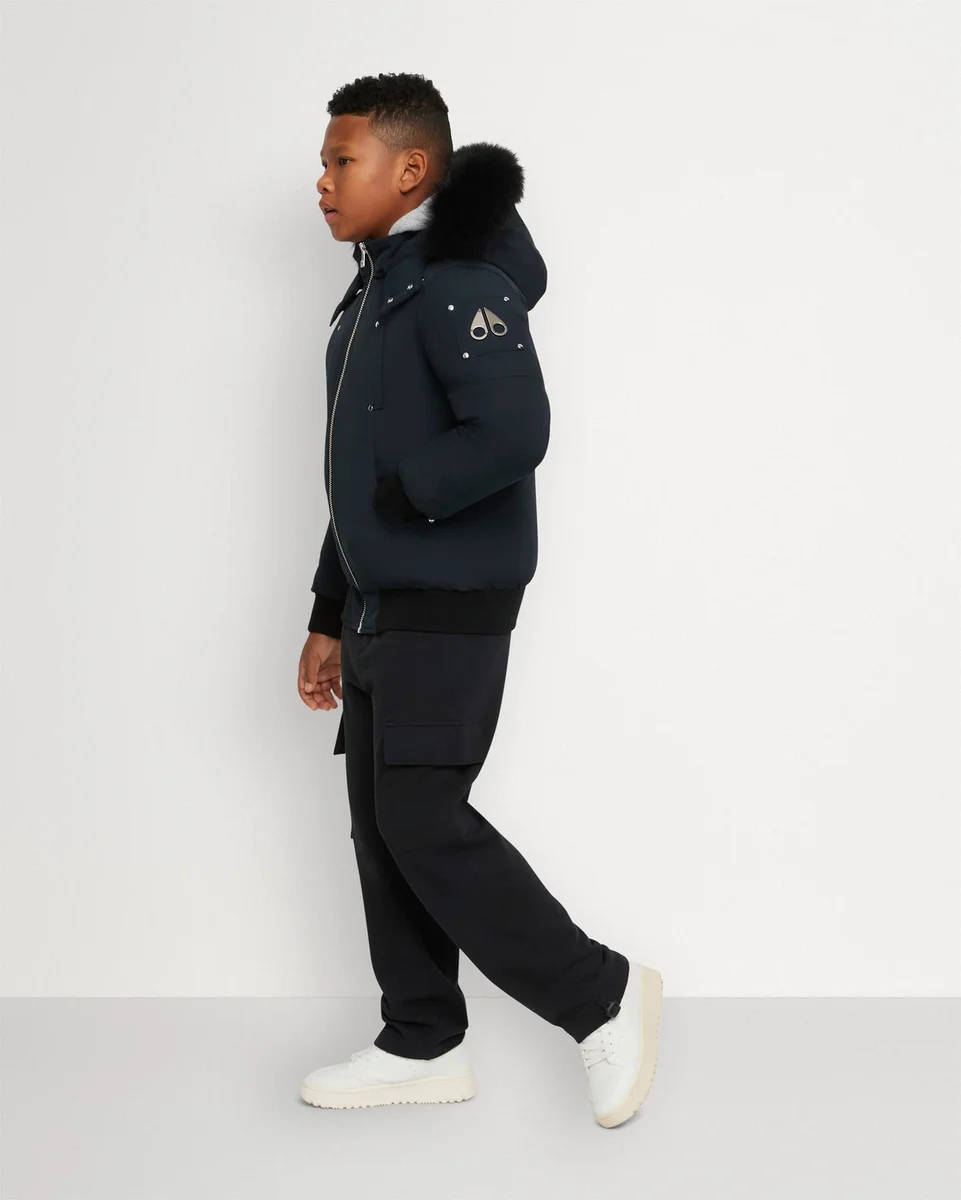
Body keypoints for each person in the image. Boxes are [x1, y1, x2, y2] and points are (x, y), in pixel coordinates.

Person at [296, 72, 662, 1128]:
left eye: (341, 160)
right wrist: (327, 610)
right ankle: (421, 1039)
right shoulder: (374, 291)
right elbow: (349, 475)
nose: (321, 182)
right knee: (382, 826)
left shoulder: (456, 284)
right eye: (323, 162)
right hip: (379, 602)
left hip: (447, 597)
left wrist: (406, 498)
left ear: (411, 168)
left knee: (421, 816)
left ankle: (600, 994)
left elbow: (512, 432)